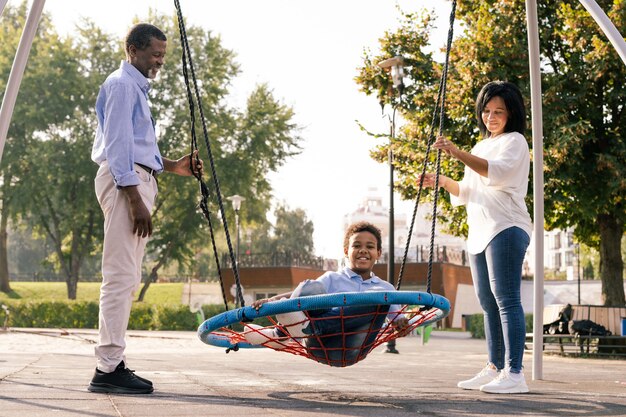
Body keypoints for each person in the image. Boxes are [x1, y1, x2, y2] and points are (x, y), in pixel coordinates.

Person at [88, 23, 202, 394]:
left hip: (135, 178)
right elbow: (119, 146)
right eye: (155, 53)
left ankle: (112, 363)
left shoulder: (133, 88)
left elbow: (134, 145)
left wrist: (174, 166)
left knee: (127, 277)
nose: (160, 61)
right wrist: (134, 197)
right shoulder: (122, 86)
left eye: (163, 55)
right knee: (120, 276)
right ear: (133, 50)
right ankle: (107, 368)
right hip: (127, 183)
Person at [419, 81, 532, 394]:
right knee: (487, 300)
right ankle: (495, 366)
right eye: (486, 111)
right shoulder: (482, 146)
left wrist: (455, 152)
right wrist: (441, 181)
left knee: (506, 298)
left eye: (499, 112)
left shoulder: (515, 142)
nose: (491, 117)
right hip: (480, 232)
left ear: (511, 114)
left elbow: (494, 172)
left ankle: (515, 373)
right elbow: (467, 191)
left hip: (507, 227)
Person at [244, 221, 410, 366]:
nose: (363, 250)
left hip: (352, 347)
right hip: (319, 344)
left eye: (370, 247)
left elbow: (397, 322)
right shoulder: (333, 278)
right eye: (356, 246)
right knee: (310, 286)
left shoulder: (385, 288)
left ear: (378, 253)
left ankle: (298, 330)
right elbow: (303, 293)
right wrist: (272, 301)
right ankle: (282, 334)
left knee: (377, 295)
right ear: (346, 251)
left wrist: (402, 325)